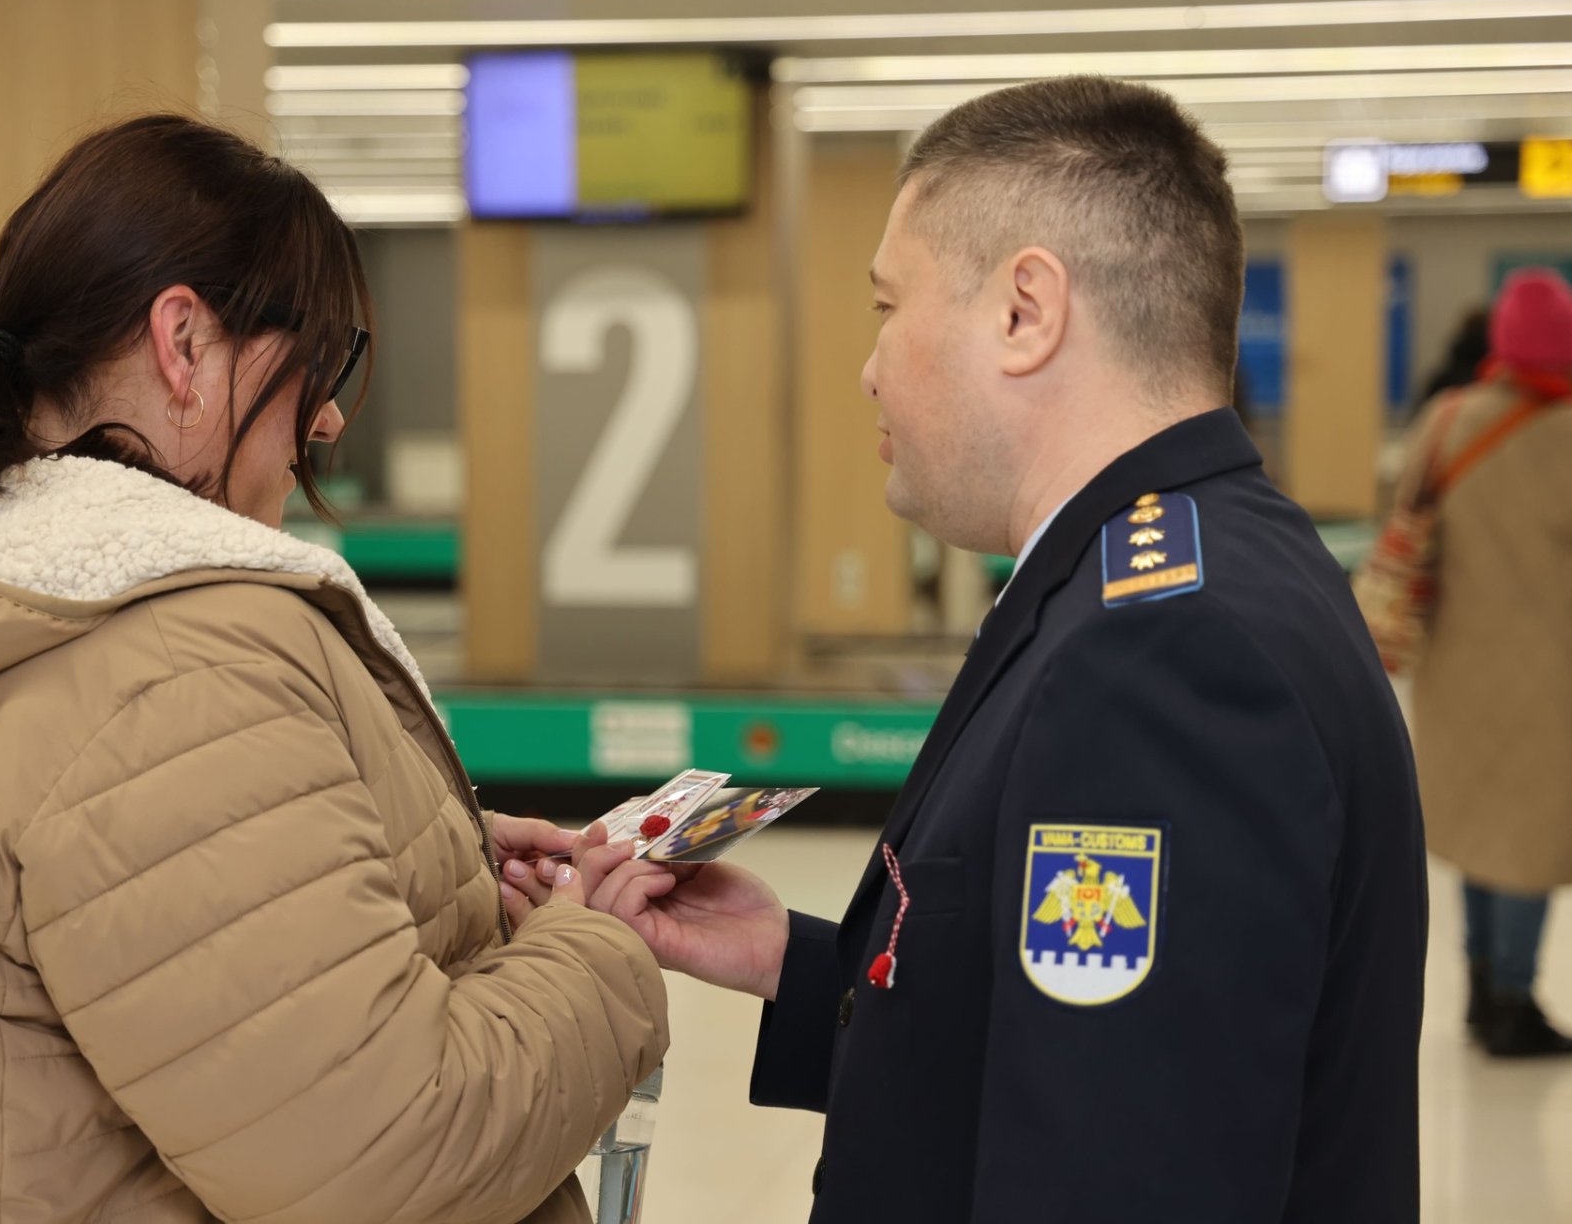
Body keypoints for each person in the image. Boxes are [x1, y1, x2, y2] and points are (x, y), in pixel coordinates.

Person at [0, 115, 666, 1223]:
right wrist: (597, 950)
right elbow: (385, 1158)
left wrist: (409, 851)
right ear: (184, 342)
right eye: (323, 360)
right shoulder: (178, 671)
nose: (328, 417)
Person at [579, 77, 1428, 1220]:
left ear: (1027, 311)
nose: (871, 366)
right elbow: (1076, 1043)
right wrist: (797, 960)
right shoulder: (1202, 563)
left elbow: (1121, 1177)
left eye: (888, 305)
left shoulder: (1161, 654)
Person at [1397, 268, 1572, 1057]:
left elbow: (1404, 513)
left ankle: (1477, 987)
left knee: (1478, 828)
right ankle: (1513, 1000)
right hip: (1550, 675)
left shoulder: (1449, 418)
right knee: (1529, 839)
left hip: (1455, 663)